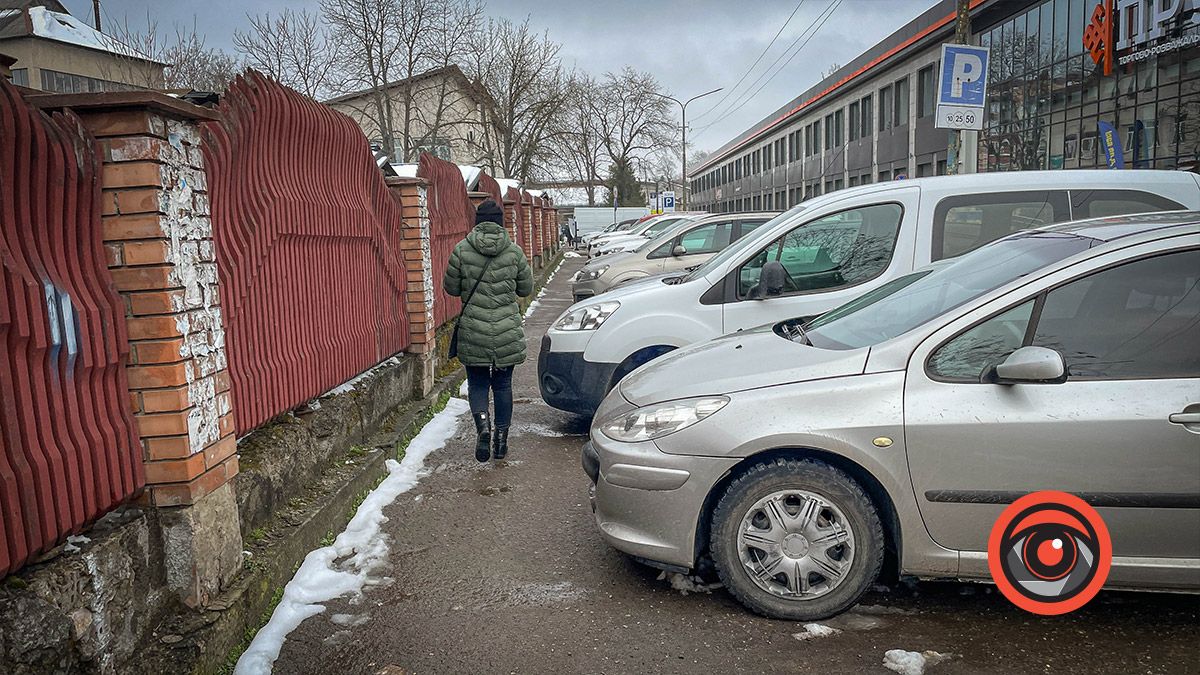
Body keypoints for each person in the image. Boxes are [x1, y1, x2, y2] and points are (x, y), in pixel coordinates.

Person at [444, 199, 533, 462]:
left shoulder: (461, 250)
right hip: (506, 329)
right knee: (503, 386)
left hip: (474, 329)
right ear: (501, 223)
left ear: (477, 222)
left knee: (478, 384)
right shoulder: (514, 252)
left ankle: (483, 427)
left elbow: (451, 288)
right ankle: (501, 441)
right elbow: (525, 289)